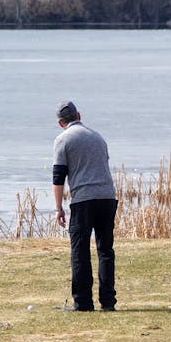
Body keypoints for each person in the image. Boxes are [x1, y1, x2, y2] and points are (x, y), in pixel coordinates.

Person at [50, 101, 119, 312]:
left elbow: (58, 176)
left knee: (79, 250)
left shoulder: (63, 140)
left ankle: (83, 302)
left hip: (83, 200)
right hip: (107, 197)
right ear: (79, 115)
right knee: (105, 250)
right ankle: (108, 302)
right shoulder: (98, 137)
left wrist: (58, 208)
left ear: (61, 123)